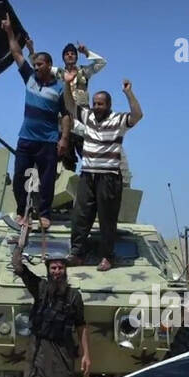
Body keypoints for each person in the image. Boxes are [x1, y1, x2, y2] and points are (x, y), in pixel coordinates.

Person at [11, 238, 89, 377]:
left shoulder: (74, 297)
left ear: (65, 270)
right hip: (38, 348)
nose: (57, 271)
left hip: (62, 351)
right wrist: (20, 243)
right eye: (53, 267)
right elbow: (18, 266)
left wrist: (86, 355)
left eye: (60, 267)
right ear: (48, 270)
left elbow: (82, 326)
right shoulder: (40, 288)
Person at [63, 75, 142, 271]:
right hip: (88, 175)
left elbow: (138, 115)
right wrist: (66, 83)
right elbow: (70, 105)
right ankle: (77, 254)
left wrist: (129, 93)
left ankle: (107, 256)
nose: (97, 107)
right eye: (95, 104)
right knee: (81, 216)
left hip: (109, 177)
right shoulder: (88, 117)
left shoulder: (118, 120)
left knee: (107, 218)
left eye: (100, 104)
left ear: (108, 105)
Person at [1, 14, 70, 230]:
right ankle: (23, 213)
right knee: (20, 176)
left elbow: (66, 114)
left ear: (49, 65)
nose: (36, 66)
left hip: (48, 141)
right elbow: (16, 53)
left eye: (40, 64)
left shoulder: (59, 88)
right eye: (36, 64)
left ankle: (44, 214)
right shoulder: (29, 78)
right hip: (26, 138)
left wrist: (64, 139)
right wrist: (9, 32)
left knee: (47, 180)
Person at [56, 41, 107, 171]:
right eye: (67, 54)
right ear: (63, 57)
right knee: (64, 159)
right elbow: (38, 66)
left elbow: (101, 63)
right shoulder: (58, 73)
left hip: (82, 118)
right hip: (64, 120)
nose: (70, 56)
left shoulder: (84, 71)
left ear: (76, 57)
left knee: (91, 155)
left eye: (72, 53)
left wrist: (86, 52)